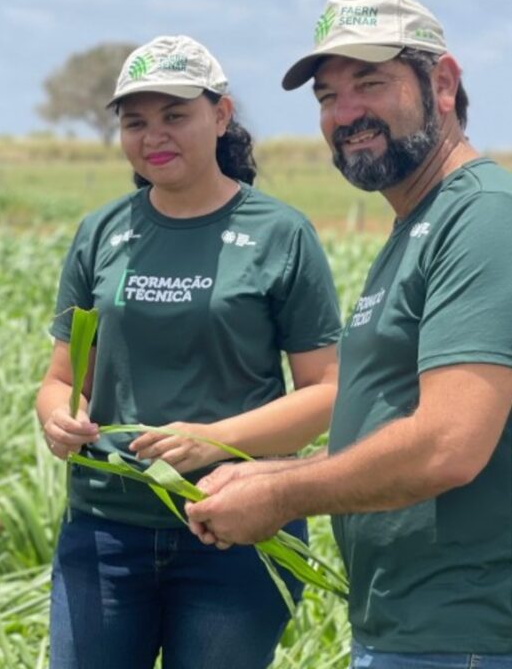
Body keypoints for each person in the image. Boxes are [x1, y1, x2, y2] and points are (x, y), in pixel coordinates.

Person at [187, 0, 512, 667]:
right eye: (328, 97)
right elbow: (397, 427)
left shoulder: (488, 218)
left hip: (475, 636)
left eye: (370, 83)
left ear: (441, 84)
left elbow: (448, 444)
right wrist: (271, 473)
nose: (346, 112)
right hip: (412, 627)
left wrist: (279, 492)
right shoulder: (417, 225)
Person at [36, 35, 341, 669]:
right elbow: (62, 379)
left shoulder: (279, 234)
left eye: (175, 115)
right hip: (103, 530)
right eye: (135, 122)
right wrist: (56, 418)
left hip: (233, 526)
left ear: (221, 116)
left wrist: (215, 441)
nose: (155, 136)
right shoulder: (101, 232)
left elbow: (327, 393)